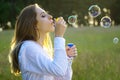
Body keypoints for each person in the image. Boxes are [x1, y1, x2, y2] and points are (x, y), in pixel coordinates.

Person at [8, 3, 77, 80]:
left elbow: (61, 78)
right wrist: (59, 36)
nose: (50, 17)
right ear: (34, 25)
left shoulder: (41, 49)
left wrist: (65, 57)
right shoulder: (28, 48)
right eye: (43, 16)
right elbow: (59, 70)